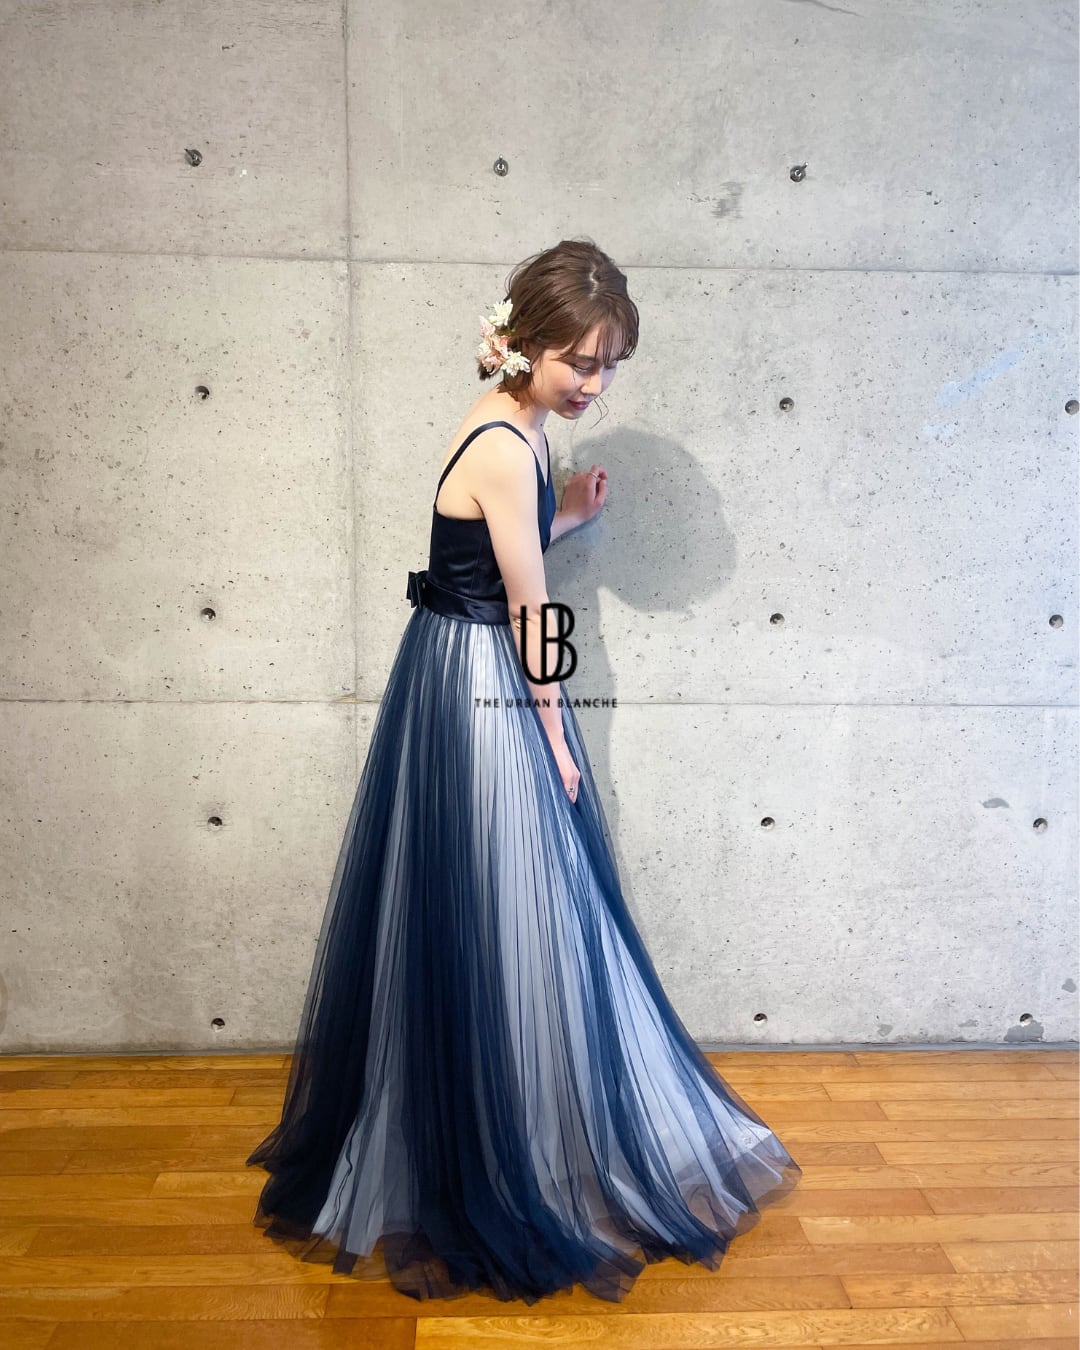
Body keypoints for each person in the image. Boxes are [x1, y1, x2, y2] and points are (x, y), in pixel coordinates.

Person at [245, 238, 802, 1305]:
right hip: (479, 683)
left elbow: (501, 547)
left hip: (452, 664)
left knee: (493, 905)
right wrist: (551, 734)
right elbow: (529, 608)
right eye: (579, 363)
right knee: (512, 903)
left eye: (609, 366)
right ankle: (511, 1147)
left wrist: (570, 512)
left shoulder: (514, 426)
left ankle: (502, 1123)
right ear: (525, 345)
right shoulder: (508, 444)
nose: (594, 384)